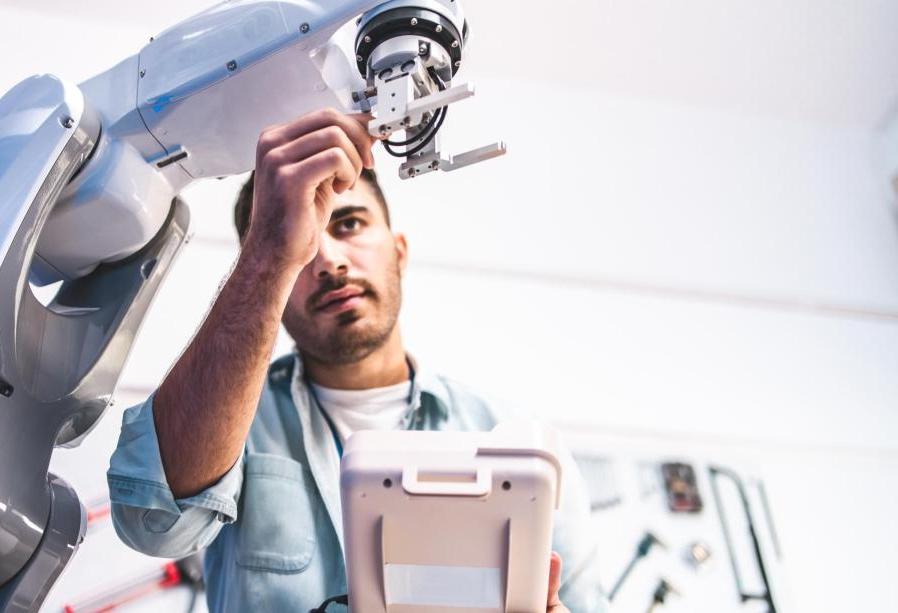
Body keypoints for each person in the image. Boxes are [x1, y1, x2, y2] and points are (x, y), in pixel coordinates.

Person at [107, 108, 608, 612]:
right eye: (298, 239)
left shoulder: (516, 440)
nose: (326, 259)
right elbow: (152, 523)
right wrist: (269, 254)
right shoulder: (234, 429)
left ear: (399, 251)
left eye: (347, 223)